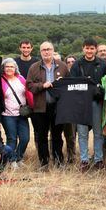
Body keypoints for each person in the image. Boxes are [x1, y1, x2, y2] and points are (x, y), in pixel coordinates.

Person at [27, 41, 69, 170]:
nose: (46, 52)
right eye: (44, 50)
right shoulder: (34, 67)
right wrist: (41, 85)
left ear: (53, 50)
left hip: (58, 107)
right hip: (40, 107)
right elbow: (29, 85)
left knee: (57, 136)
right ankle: (44, 163)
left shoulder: (62, 66)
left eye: (49, 49)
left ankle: (58, 161)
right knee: (42, 137)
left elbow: (68, 85)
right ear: (40, 52)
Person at [70, 37, 106, 170]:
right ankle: (84, 160)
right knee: (82, 133)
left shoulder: (103, 64)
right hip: (81, 103)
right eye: (87, 48)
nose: (89, 51)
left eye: (92, 48)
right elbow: (72, 84)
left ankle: (98, 159)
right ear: (83, 48)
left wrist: (100, 91)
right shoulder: (77, 65)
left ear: (96, 49)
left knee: (98, 132)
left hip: (97, 102)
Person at [0, 57, 34, 168]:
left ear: (15, 68)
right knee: (12, 138)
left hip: (22, 114)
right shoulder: (0, 80)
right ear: (3, 68)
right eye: (7, 66)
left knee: (25, 138)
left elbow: (28, 92)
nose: (9, 68)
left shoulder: (21, 78)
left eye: (12, 66)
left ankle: (18, 157)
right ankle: (12, 160)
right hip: (8, 115)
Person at [62, 54, 78, 163]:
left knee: (71, 136)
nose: (71, 63)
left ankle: (72, 157)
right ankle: (56, 156)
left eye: (73, 61)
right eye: (68, 62)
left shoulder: (77, 75)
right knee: (55, 135)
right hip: (61, 109)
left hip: (74, 110)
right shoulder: (62, 75)